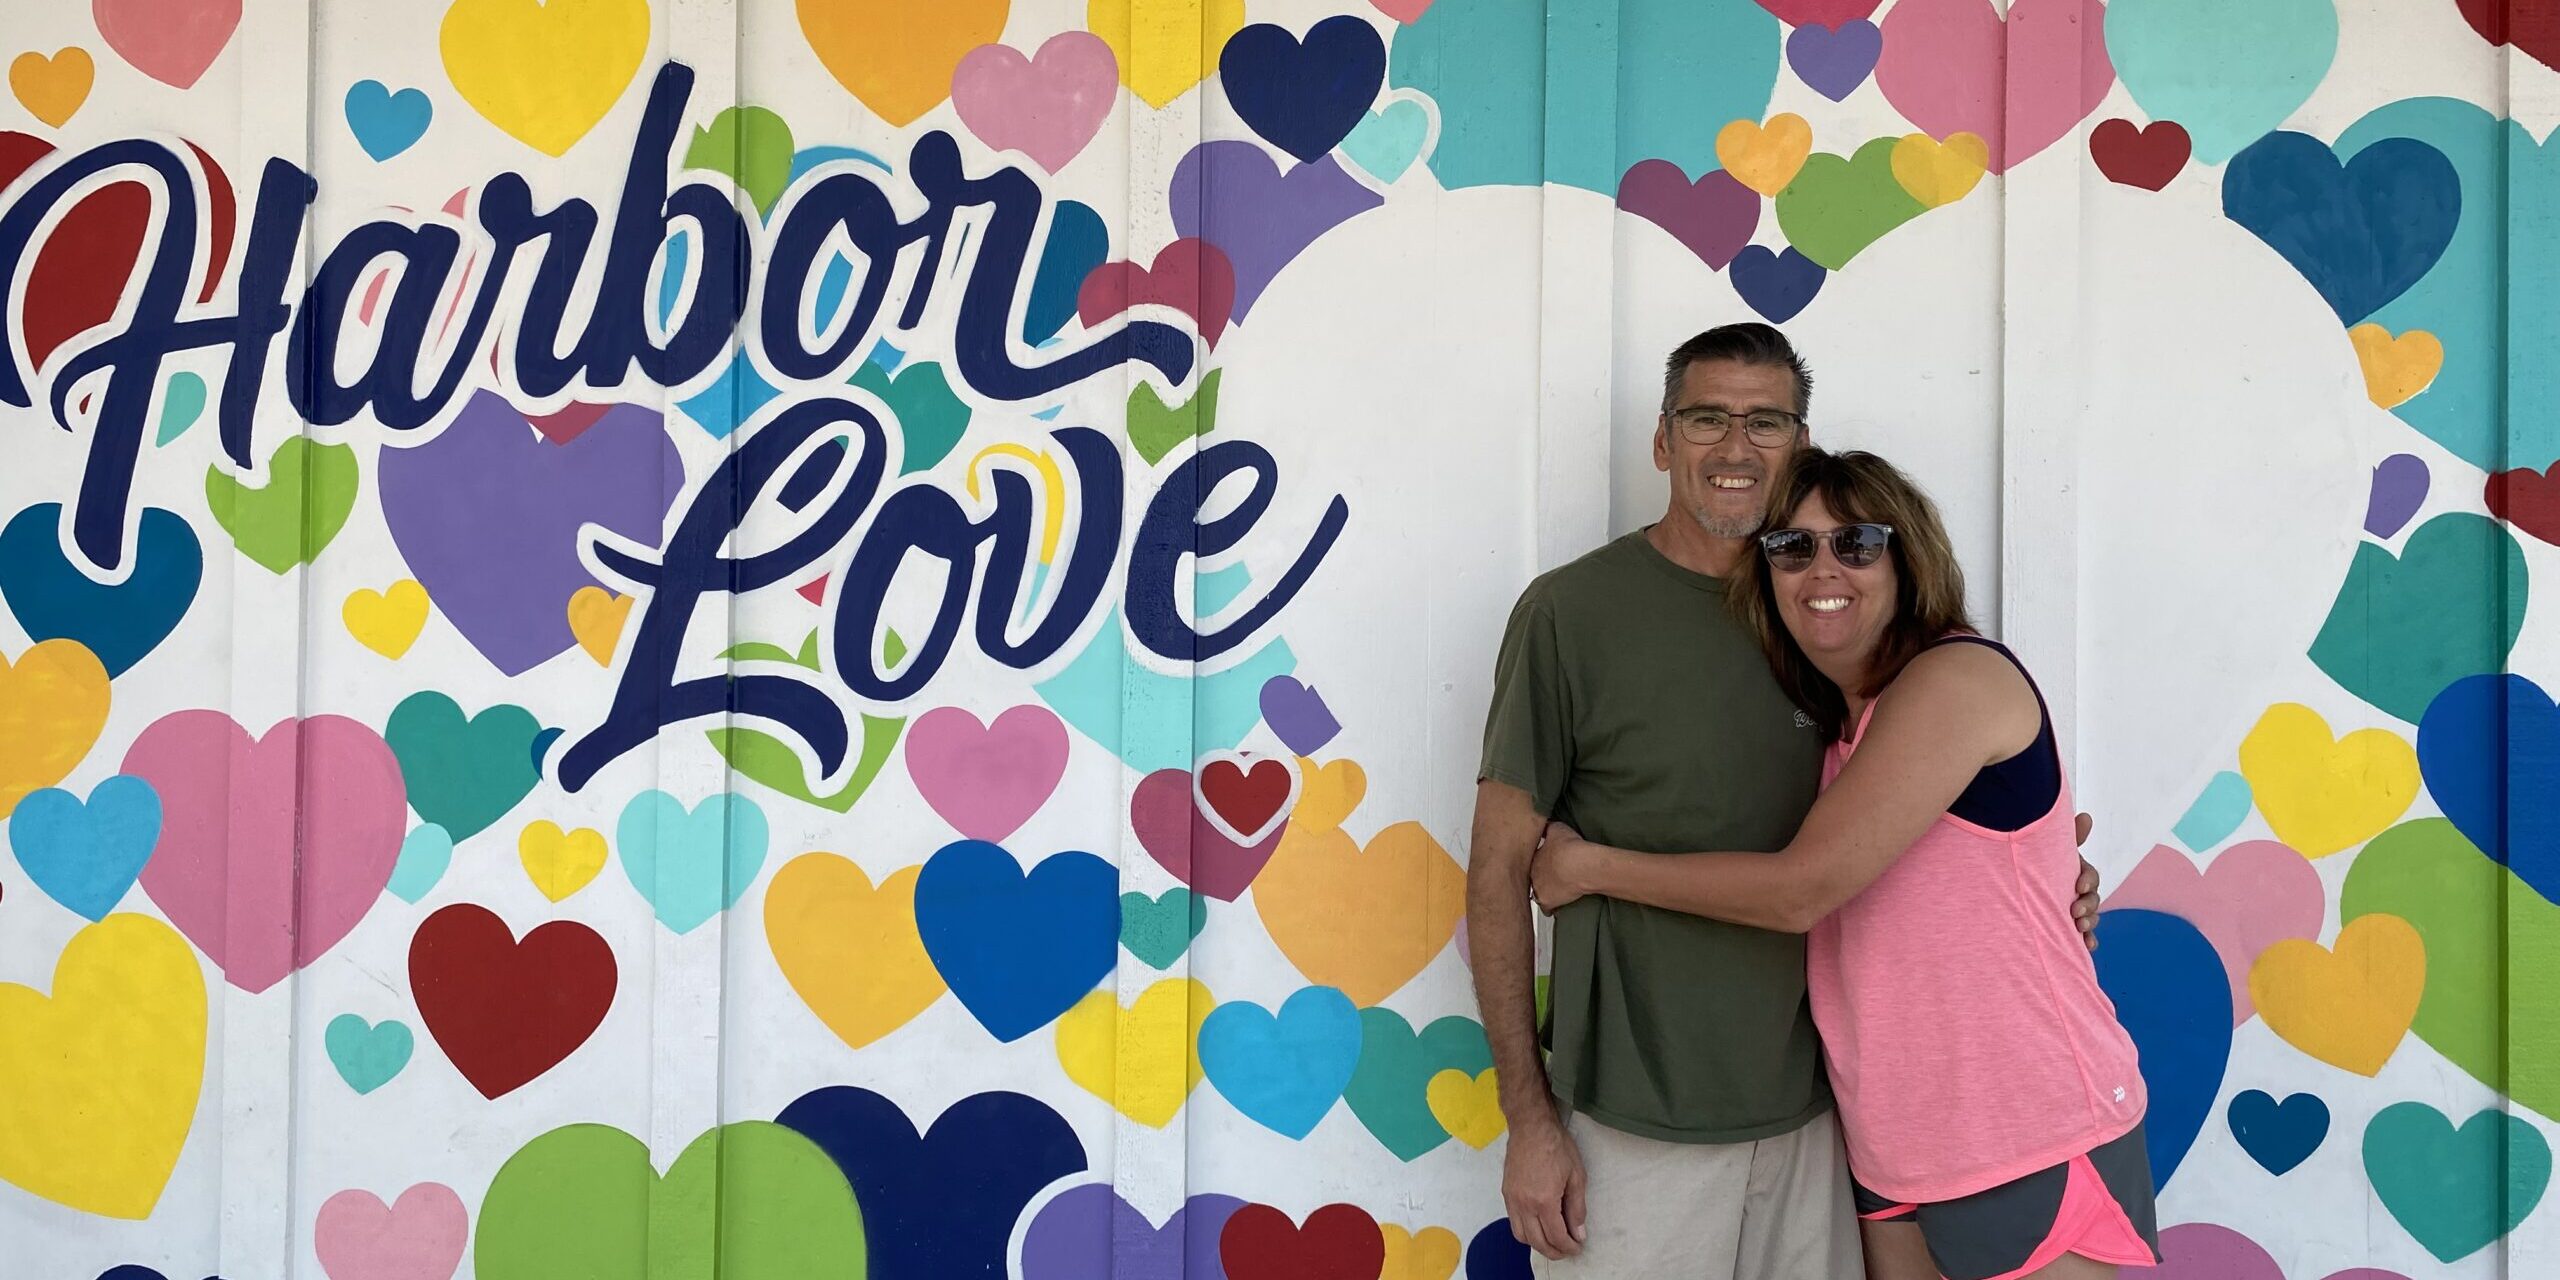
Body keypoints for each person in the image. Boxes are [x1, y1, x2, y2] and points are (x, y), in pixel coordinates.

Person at [1468, 323, 2103, 1278]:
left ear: (1801, 445)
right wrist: (1527, 1118)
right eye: (1706, 419)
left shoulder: (1831, 631)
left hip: (1832, 1121)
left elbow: (1888, 847)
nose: (1735, 448)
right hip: (1640, 1119)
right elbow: (1496, 872)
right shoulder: (1572, 613)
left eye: (1766, 422)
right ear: (1661, 440)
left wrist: (2050, 879)